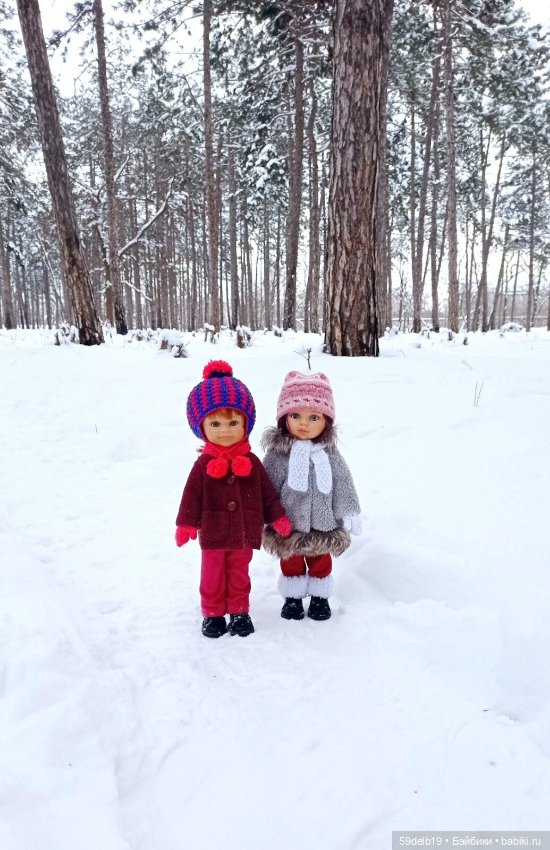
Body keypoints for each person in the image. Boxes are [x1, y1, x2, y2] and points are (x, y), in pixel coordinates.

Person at [175, 360, 291, 639]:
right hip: (213, 533)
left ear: (246, 423)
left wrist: (277, 516)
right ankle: (213, 613)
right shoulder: (202, 466)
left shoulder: (251, 462)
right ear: (200, 426)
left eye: (233, 422)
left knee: (240, 573)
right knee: (212, 574)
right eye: (215, 423)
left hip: (243, 531)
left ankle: (239, 610)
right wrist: (186, 523)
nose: (225, 430)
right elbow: (191, 494)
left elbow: (267, 493)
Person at [262, 370, 361, 621]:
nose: (304, 424)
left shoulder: (329, 454)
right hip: (289, 523)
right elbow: (267, 484)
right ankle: (293, 599)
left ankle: (319, 598)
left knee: (321, 562)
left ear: (326, 421)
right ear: (284, 418)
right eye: (296, 416)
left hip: (323, 522)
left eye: (313, 417)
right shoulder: (278, 455)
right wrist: (262, 512)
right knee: (291, 562)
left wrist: (348, 510)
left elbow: (343, 481)